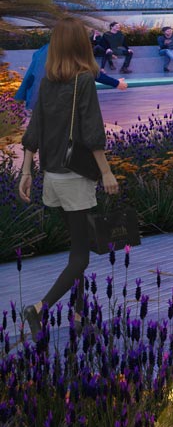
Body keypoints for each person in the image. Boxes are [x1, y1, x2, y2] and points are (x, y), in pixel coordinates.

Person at [14, 18, 120, 335]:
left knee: (81, 244)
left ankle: (78, 317)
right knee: (80, 257)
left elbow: (35, 129)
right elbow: (92, 132)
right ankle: (38, 309)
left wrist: (26, 169)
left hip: (52, 178)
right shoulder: (84, 80)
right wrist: (107, 172)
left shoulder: (47, 82)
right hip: (75, 177)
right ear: (80, 45)